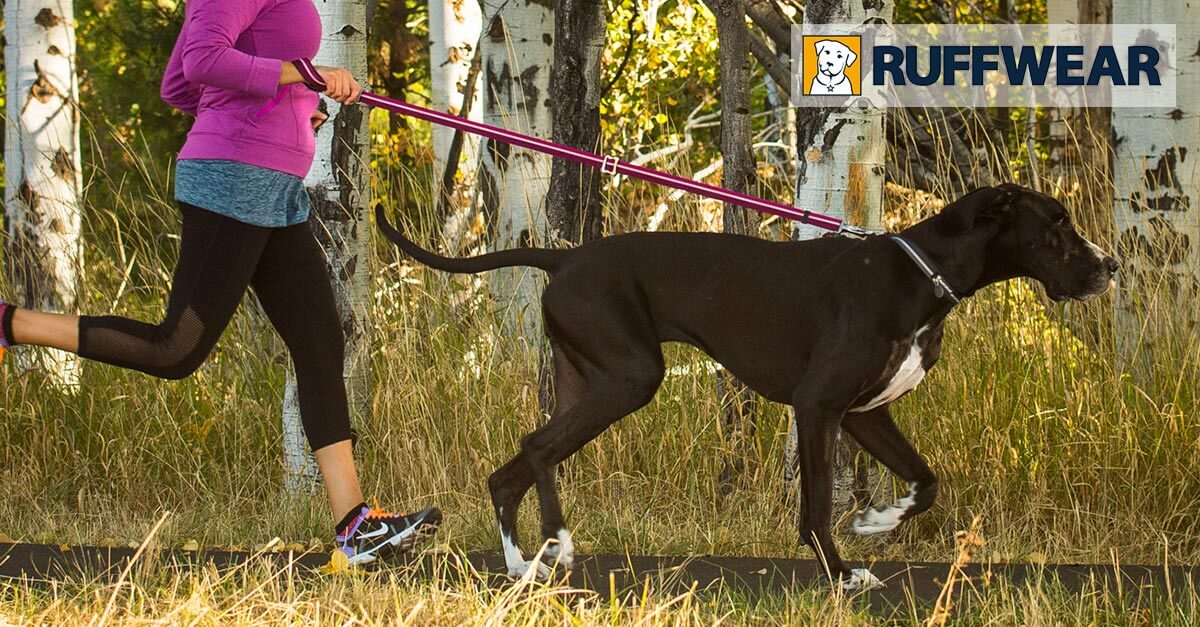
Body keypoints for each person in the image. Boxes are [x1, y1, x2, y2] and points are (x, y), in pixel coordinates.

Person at [0, 0, 439, 565]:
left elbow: (179, 86)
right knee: (176, 348)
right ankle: (10, 322)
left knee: (320, 343)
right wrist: (301, 77)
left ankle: (356, 526)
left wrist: (295, 106)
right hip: (234, 177)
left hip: (271, 184)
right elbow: (205, 62)